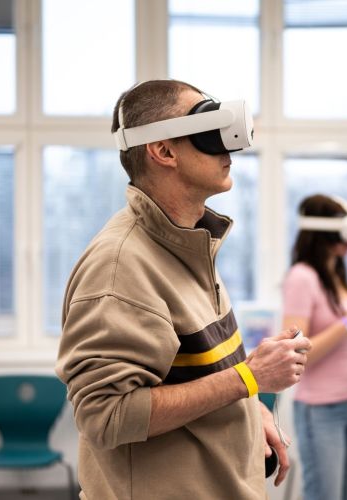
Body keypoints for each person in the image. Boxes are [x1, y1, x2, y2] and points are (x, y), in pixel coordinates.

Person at [56, 79, 311, 500]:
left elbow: (198, 376)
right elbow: (106, 416)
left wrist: (249, 409)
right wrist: (250, 378)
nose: (227, 147)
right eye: (207, 128)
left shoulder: (189, 246)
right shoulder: (121, 267)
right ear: (164, 151)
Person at [281, 194, 347, 500]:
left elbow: (345, 345)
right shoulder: (302, 277)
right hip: (322, 409)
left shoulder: (336, 273)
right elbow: (296, 353)